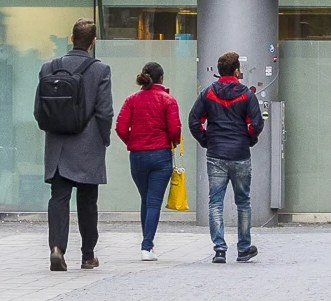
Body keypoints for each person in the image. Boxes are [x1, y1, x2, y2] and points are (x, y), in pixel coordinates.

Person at [36, 19, 112, 272]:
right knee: (88, 201)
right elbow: (104, 111)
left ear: (71, 38)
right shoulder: (100, 70)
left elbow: (39, 111)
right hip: (88, 142)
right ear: (93, 42)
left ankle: (57, 249)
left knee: (58, 198)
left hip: (57, 144)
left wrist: (54, 129)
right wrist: (104, 138)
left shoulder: (49, 68)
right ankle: (88, 255)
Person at [188, 51, 263, 263]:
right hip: (240, 154)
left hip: (216, 154)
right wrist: (249, 139)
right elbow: (256, 124)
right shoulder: (247, 95)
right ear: (237, 71)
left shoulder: (207, 94)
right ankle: (243, 248)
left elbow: (194, 121)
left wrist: (206, 140)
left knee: (215, 202)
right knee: (243, 202)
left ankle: (219, 249)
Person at [115, 61, 183, 258]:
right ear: (161, 78)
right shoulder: (168, 100)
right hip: (160, 155)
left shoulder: (131, 100)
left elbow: (120, 127)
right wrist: (174, 142)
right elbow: (174, 129)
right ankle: (147, 246)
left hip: (137, 156)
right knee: (153, 202)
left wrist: (132, 142)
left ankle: (148, 245)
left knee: (145, 199)